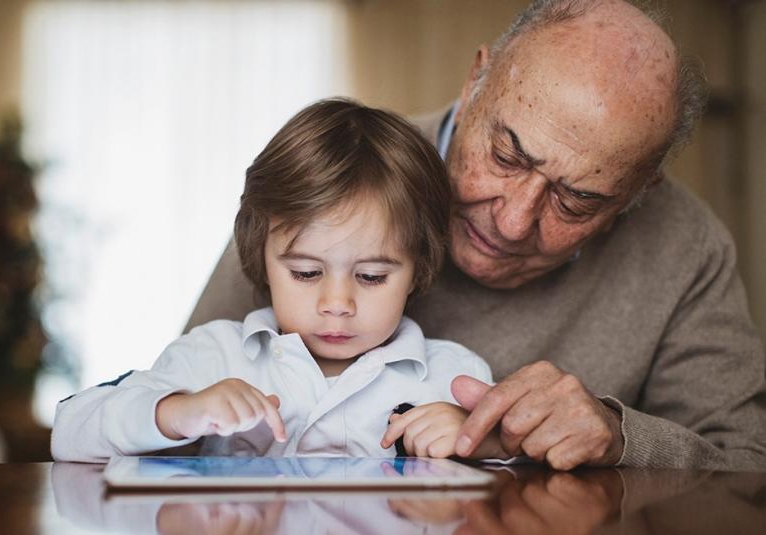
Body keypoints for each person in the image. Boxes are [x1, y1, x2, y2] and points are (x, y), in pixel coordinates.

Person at [186, 0, 766, 471]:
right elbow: (174, 418)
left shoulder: (685, 244)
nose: (512, 223)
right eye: (506, 155)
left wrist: (621, 437)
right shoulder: (334, 186)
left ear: (644, 185)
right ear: (474, 84)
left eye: (577, 200)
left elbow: (748, 467)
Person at [51, 99, 504, 462]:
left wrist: (482, 443)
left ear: (419, 267)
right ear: (261, 259)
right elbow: (70, 430)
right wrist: (175, 413)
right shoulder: (214, 356)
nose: (337, 302)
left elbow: (534, 476)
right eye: (306, 272)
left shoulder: (454, 378)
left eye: (370, 276)